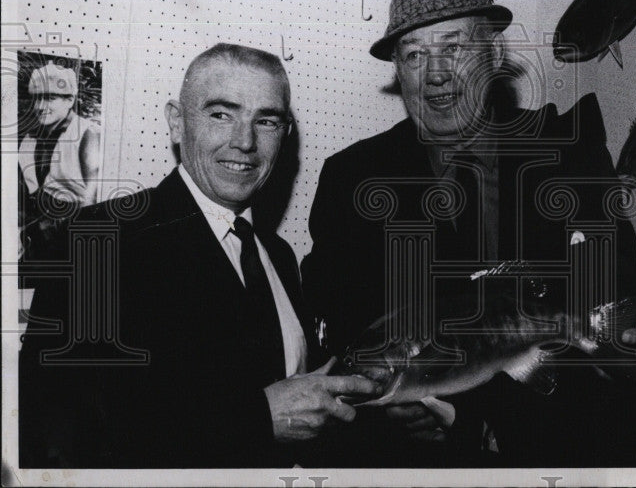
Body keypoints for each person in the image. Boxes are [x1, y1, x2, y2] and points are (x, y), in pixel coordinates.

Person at [303, 0, 636, 466]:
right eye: (414, 55)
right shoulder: (353, 179)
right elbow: (336, 330)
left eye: (453, 46)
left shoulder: (568, 154)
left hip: (549, 450)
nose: (435, 74)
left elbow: (624, 296)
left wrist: (629, 343)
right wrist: (379, 406)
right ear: (398, 71)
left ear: (493, 53)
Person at [20, 44, 378, 467]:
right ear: (176, 123)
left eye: (265, 120)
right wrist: (256, 418)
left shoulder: (278, 255)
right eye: (221, 114)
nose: (245, 142)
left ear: (284, 134)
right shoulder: (101, 240)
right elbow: (54, 429)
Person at [18, 61, 101, 261]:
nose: (40, 107)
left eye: (50, 98)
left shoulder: (87, 135)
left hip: (71, 236)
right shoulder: (30, 138)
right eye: (37, 98)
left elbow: (92, 203)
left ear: (69, 100)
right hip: (35, 233)